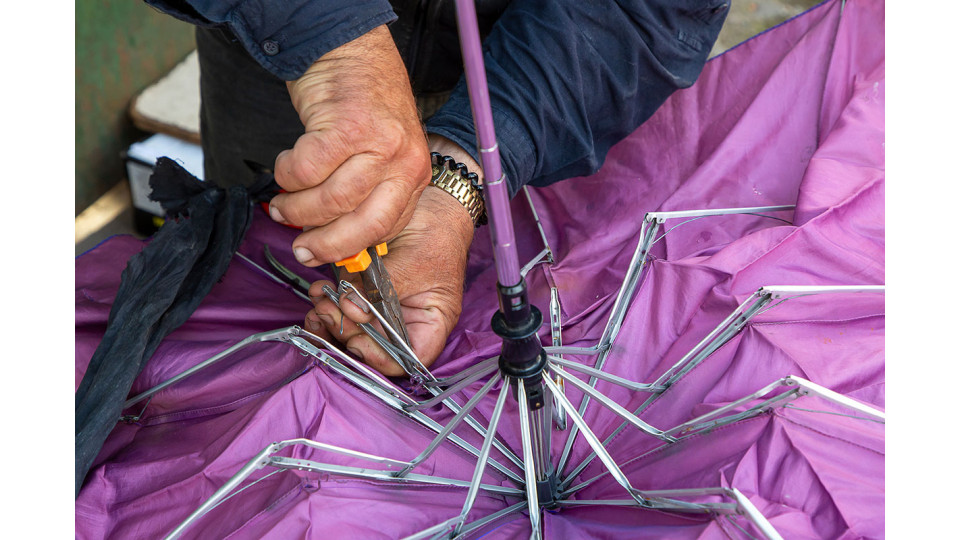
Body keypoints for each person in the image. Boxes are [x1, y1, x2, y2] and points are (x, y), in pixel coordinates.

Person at [148, 0, 728, 375]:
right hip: (276, 45)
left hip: (548, 71)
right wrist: (330, 43)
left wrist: (461, 172)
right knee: (252, 291)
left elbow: (640, 11)